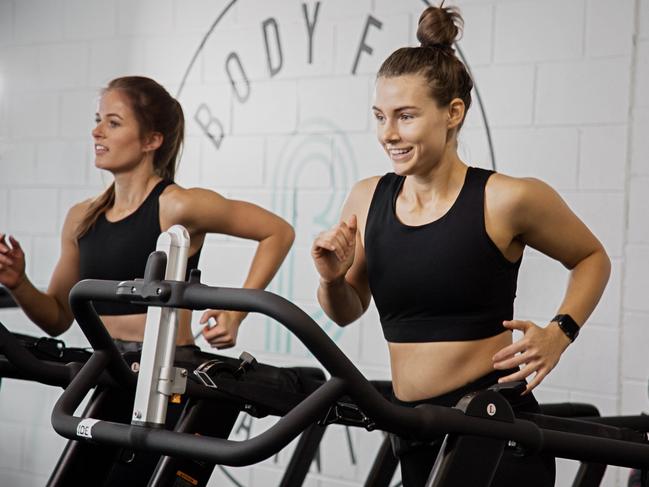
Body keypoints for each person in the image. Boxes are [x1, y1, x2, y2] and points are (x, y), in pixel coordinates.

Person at [311, 5, 610, 487]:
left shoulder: (506, 199)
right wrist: (330, 278)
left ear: (453, 113)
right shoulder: (368, 198)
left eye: (406, 116)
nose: (389, 133)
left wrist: (560, 332)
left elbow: (592, 257)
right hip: (414, 429)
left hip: (493, 429)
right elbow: (346, 310)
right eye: (380, 116)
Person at [0, 76, 295, 352]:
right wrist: (18, 282)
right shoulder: (81, 218)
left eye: (113, 123)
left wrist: (236, 313)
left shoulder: (177, 206)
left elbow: (277, 232)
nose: (96, 131)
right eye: (97, 120)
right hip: (104, 365)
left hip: (165, 367)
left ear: (151, 141)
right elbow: (57, 319)